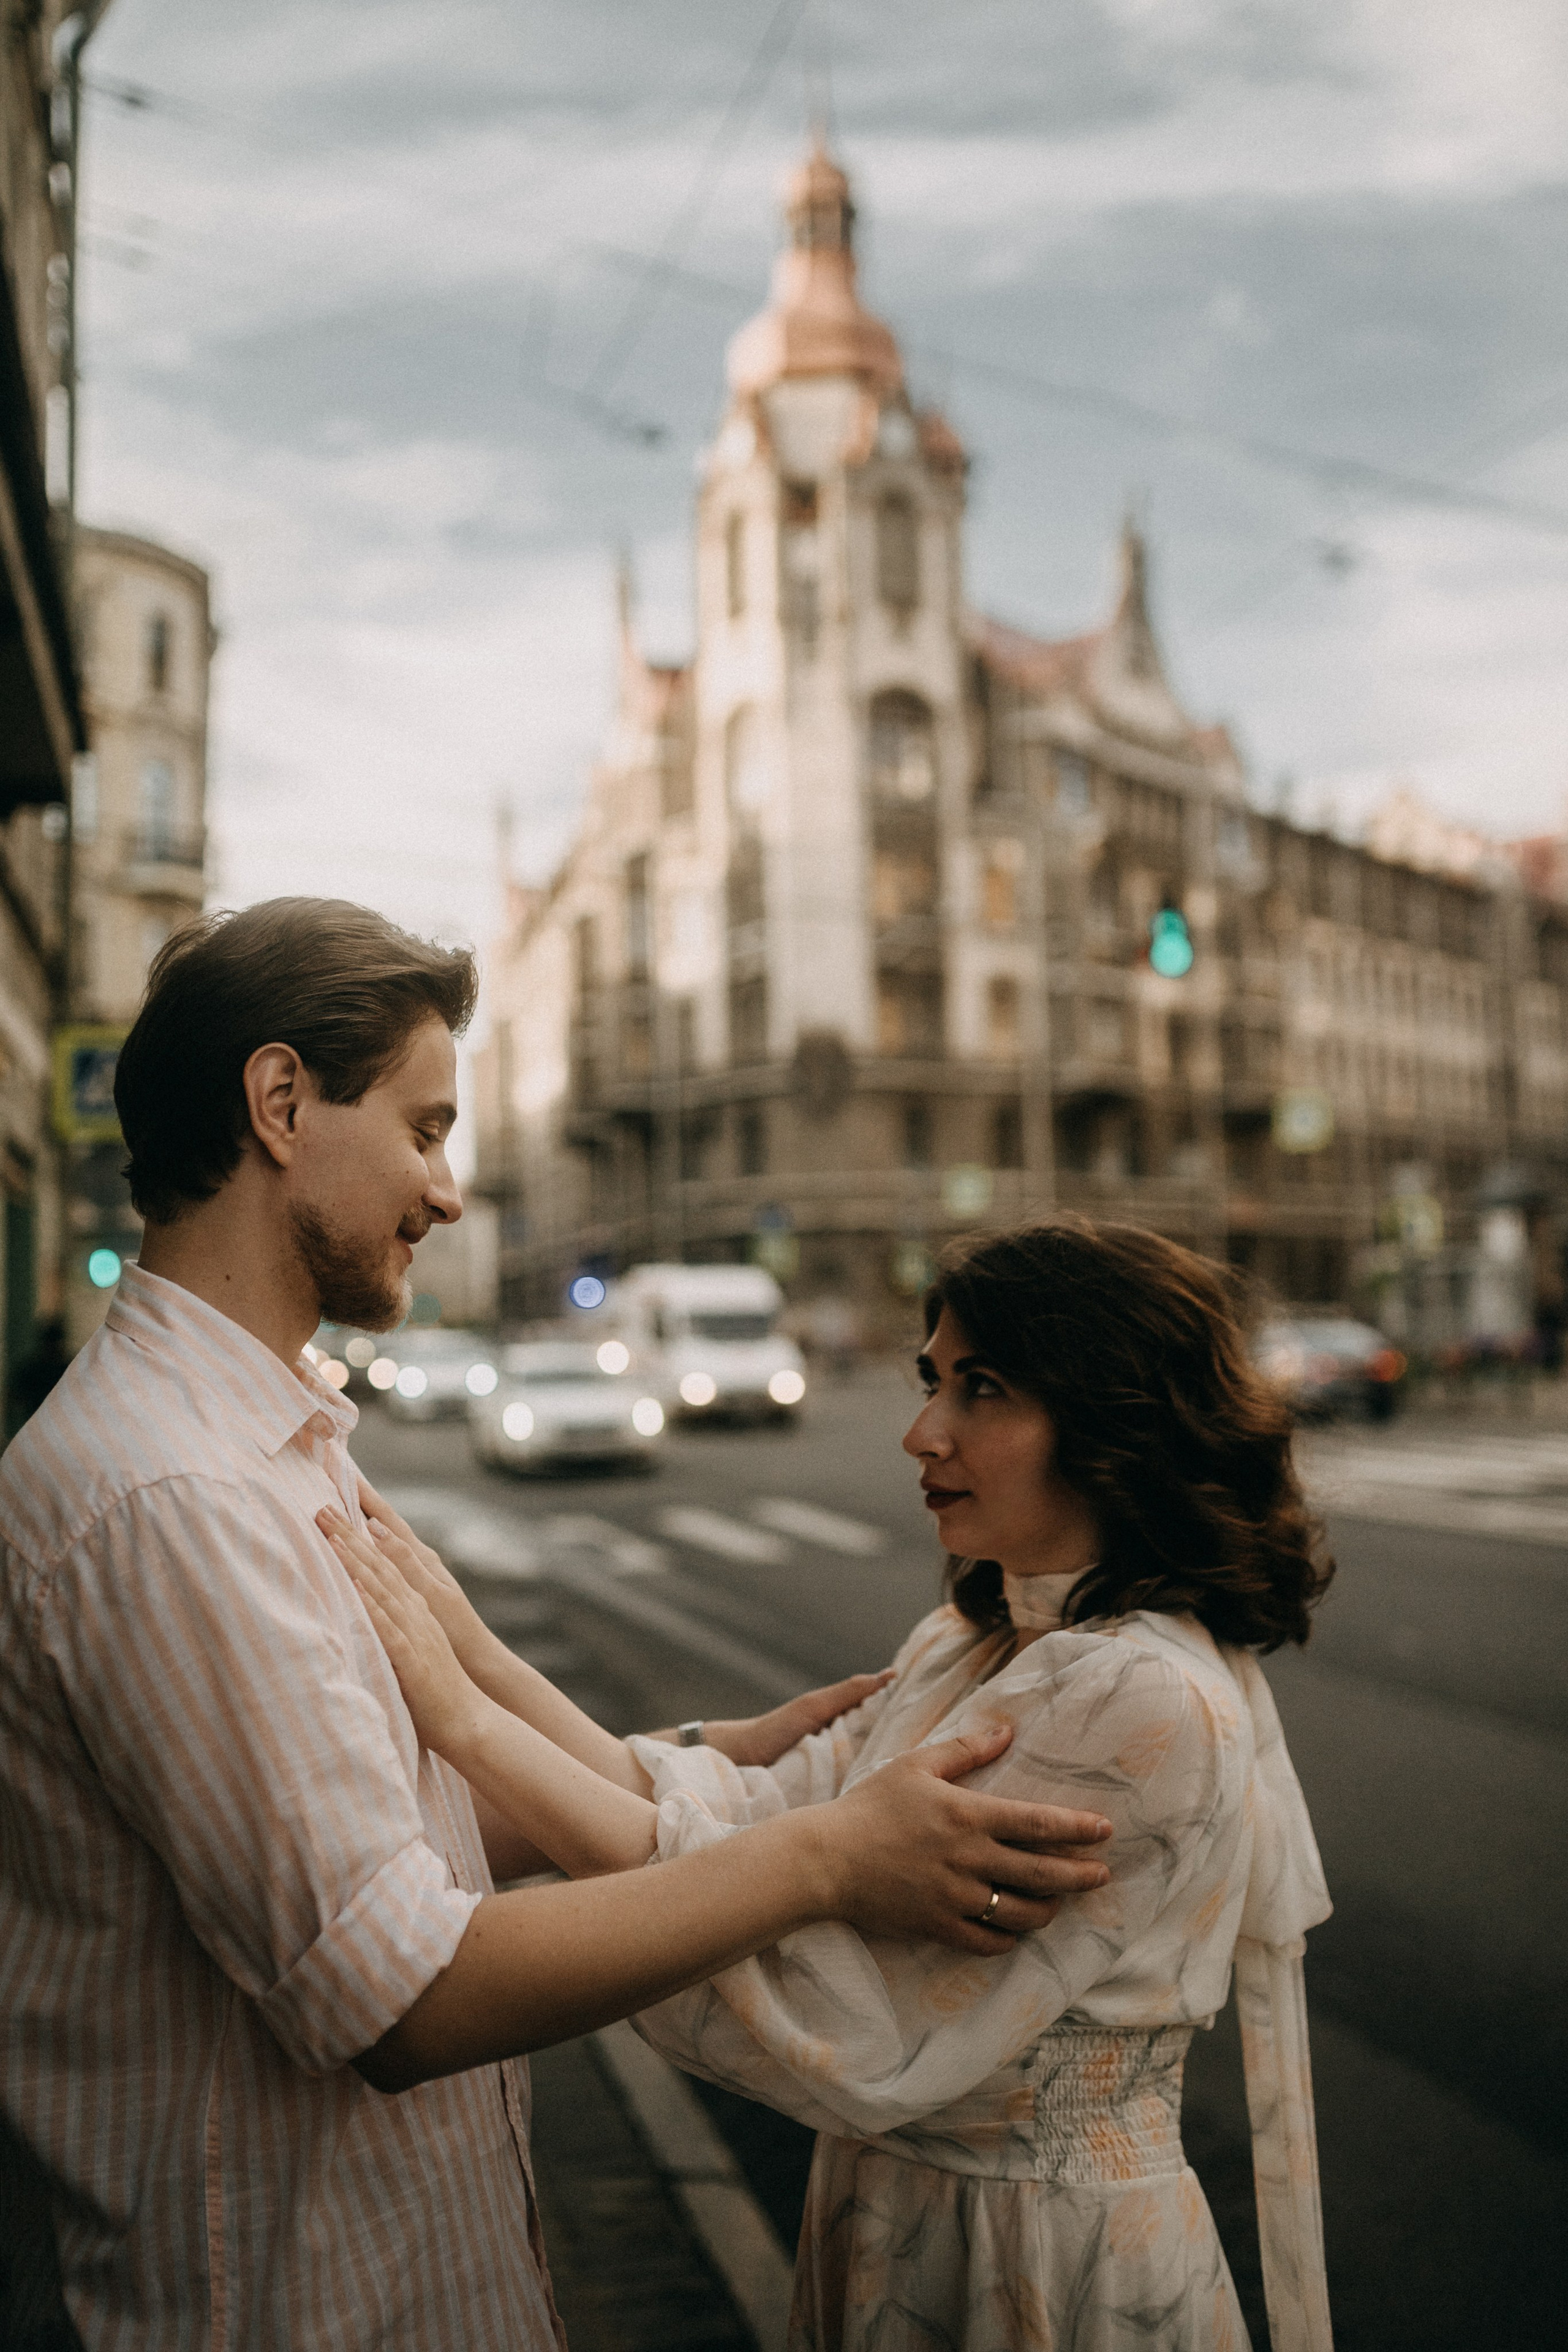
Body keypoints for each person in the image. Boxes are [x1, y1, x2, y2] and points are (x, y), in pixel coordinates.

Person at [0, 899, 1113, 2352]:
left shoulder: (261, 1442)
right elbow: (406, 1999)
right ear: (280, 1105)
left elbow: (358, 1815)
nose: (448, 1192)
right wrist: (826, 1857)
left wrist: (703, 1759)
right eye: (423, 1130)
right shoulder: (174, 1497)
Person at [334, 1219, 1337, 2352]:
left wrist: (467, 1720)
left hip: (1043, 2269)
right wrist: (475, 1651)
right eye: (933, 1383)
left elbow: (841, 2019)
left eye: (982, 1390)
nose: (922, 1433)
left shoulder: (1140, 1694)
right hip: (899, 2232)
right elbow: (728, 1826)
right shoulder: (973, 1641)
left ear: (1116, 1419)